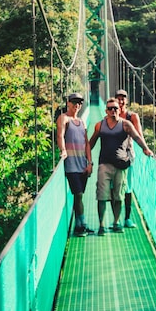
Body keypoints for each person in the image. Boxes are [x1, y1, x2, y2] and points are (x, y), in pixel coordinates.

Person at [89, 97, 153, 236]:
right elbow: (91, 142)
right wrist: (87, 159)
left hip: (121, 165)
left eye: (115, 108)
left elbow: (137, 137)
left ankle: (116, 222)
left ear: (119, 110)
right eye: (110, 108)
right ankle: (101, 225)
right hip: (104, 165)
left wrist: (145, 149)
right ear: (106, 111)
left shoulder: (126, 124)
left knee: (118, 196)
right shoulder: (100, 125)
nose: (113, 111)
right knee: (101, 195)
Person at [56, 92, 94, 237]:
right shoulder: (63, 118)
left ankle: (80, 224)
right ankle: (81, 226)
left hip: (82, 164)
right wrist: (63, 150)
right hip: (71, 164)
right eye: (74, 102)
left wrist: (89, 163)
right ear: (68, 103)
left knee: (80, 196)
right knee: (78, 195)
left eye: (79, 103)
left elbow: (87, 144)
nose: (77, 105)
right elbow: (60, 135)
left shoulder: (82, 122)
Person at [115, 89, 144, 228]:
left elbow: (139, 135)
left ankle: (127, 218)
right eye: (118, 98)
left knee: (128, 187)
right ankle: (116, 220)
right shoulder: (110, 114)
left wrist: (146, 149)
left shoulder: (132, 116)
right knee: (114, 189)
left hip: (128, 156)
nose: (121, 101)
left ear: (127, 100)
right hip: (113, 156)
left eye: (123, 98)